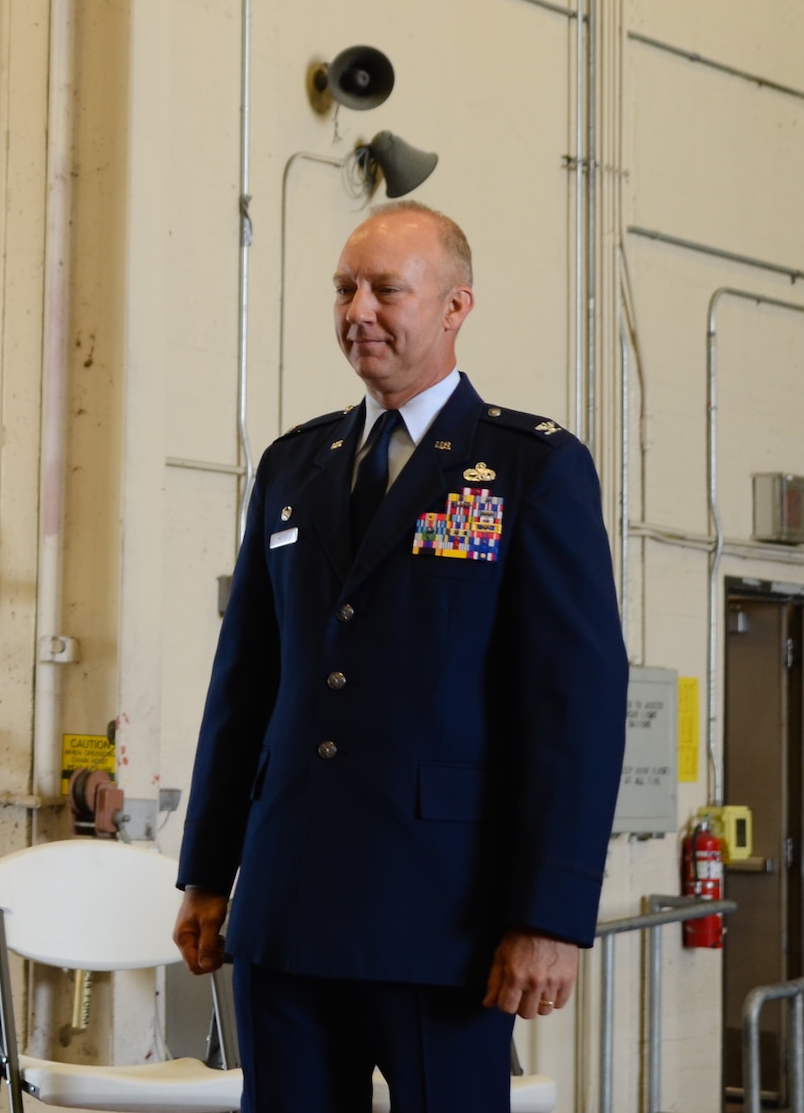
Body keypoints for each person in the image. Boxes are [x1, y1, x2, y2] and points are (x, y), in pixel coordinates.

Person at [173, 202, 628, 1110]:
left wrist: (550, 916)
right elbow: (246, 683)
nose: (359, 310)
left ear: (456, 306)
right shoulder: (293, 466)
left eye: (387, 288)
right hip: (287, 905)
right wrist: (207, 869)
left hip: (446, 922)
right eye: (345, 288)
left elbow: (574, 705)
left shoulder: (529, 467)